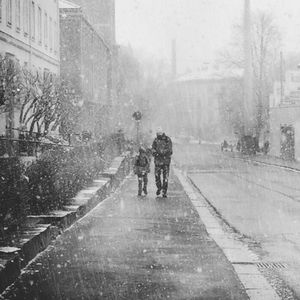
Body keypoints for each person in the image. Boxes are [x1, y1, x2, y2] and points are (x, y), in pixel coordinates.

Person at [152, 127, 173, 198]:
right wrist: (156, 153)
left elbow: (170, 150)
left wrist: (161, 153)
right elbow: (153, 149)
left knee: (165, 177)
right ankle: (159, 188)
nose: (158, 135)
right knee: (157, 176)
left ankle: (164, 191)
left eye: (158, 134)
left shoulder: (167, 140)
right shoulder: (155, 140)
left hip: (165, 162)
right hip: (158, 161)